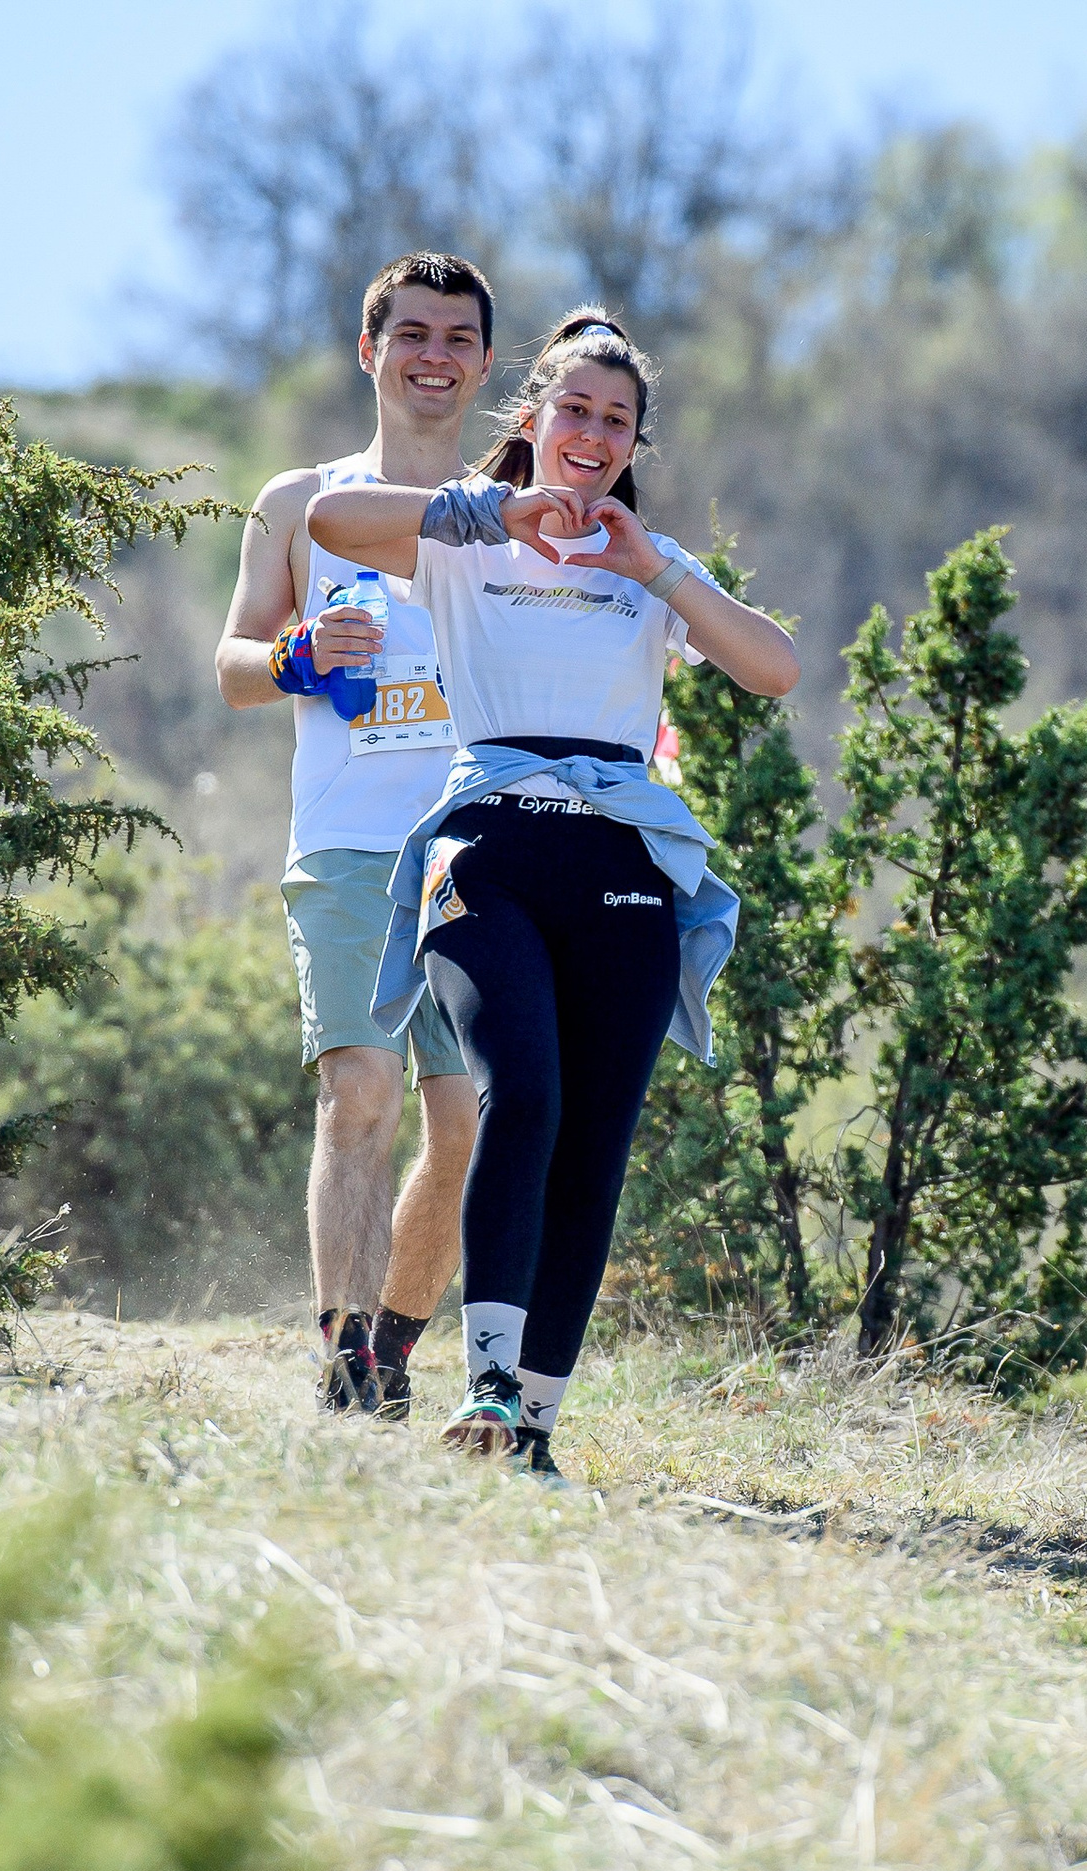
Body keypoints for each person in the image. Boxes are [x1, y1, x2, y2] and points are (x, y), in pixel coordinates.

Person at [308, 308, 799, 1478]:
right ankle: (481, 1377)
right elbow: (331, 517)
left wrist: (661, 566)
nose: (591, 432)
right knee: (516, 1095)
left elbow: (773, 667)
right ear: (530, 419)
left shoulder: (650, 571)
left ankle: (531, 1423)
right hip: (488, 850)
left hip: (621, 869)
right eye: (571, 409)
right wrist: (486, 507)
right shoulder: (466, 542)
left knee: (594, 1143)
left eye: (615, 420)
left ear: (634, 444)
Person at [215, 254, 495, 1417]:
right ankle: (340, 1354)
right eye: (411, 334)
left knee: (468, 1124)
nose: (433, 356)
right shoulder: (298, 503)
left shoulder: (505, 512)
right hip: (345, 849)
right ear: (369, 350)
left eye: (457, 339)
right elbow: (232, 666)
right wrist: (294, 661)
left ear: (482, 364)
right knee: (360, 1094)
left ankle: (390, 1345)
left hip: (480, 849)